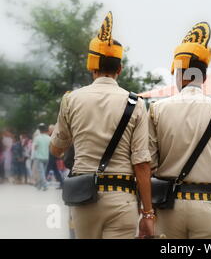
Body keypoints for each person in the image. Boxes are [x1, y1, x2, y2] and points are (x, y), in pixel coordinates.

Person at [49, 12, 154, 239]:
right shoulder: (136, 103)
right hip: (122, 199)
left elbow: (56, 148)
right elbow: (142, 164)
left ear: (91, 67)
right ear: (120, 69)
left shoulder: (71, 99)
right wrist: (148, 213)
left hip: (84, 199)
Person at [149, 22, 211, 239]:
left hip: (169, 207)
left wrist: (146, 213)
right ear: (204, 77)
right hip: (210, 207)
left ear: (179, 74)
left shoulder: (157, 109)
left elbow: (148, 164)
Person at [32, 124, 51, 191]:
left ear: (39, 130)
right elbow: (50, 147)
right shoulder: (49, 137)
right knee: (43, 172)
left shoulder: (37, 138)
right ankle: (39, 186)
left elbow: (35, 147)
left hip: (39, 157)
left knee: (41, 172)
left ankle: (45, 186)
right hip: (46, 157)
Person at [45, 125, 64, 189]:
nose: (48, 131)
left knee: (47, 169)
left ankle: (42, 183)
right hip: (52, 155)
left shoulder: (53, 136)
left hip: (51, 155)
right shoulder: (53, 136)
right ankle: (62, 183)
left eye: (49, 129)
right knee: (55, 170)